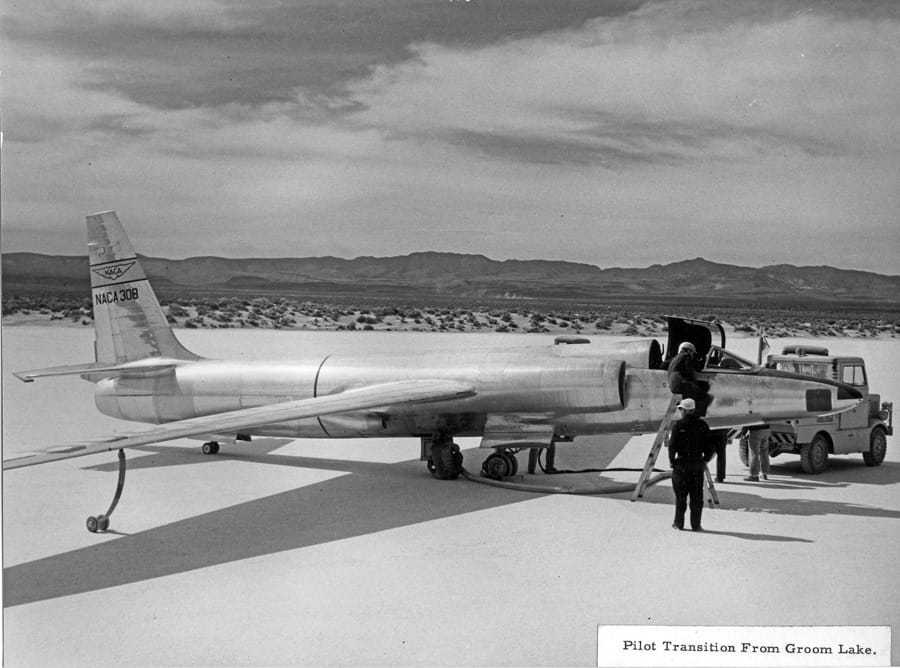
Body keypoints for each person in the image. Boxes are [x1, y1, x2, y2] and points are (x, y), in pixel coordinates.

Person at [668, 397, 716, 531]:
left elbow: (672, 446)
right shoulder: (703, 425)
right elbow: (711, 446)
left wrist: (672, 461)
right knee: (696, 497)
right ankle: (696, 525)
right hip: (696, 464)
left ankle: (678, 524)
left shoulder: (678, 426)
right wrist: (705, 459)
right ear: (693, 410)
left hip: (681, 465)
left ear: (683, 410)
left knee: (681, 497)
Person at [667, 341, 711, 414]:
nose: (692, 355)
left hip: (675, 385)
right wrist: (695, 383)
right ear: (688, 350)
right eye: (692, 353)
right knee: (705, 396)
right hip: (680, 384)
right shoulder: (686, 356)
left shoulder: (675, 358)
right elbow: (689, 372)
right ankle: (696, 415)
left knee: (700, 388)